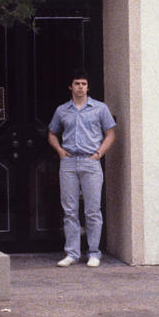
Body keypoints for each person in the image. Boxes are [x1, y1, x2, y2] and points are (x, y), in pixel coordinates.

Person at [47, 70, 117, 268]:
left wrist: (99, 154)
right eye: (77, 83)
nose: (80, 87)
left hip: (90, 162)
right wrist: (60, 151)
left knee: (93, 210)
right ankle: (72, 253)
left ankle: (94, 252)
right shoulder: (62, 111)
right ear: (71, 86)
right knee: (70, 210)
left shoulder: (100, 109)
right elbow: (52, 133)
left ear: (88, 87)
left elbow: (110, 134)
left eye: (83, 84)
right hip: (68, 163)